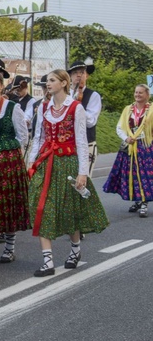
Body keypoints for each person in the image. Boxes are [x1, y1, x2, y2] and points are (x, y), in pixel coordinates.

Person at [27, 69, 109, 277]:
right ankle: (47, 261)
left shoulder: (75, 108)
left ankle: (75, 250)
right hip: (47, 163)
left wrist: (83, 173)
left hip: (68, 163)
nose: (48, 84)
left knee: (69, 209)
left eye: (52, 80)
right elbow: (38, 137)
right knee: (43, 207)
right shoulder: (43, 107)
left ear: (64, 83)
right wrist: (31, 164)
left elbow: (81, 141)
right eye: (47, 81)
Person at [0, 72, 30, 263]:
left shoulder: (12, 107)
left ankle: (9, 248)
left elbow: (23, 136)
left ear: (1, 86)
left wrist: (6, 150)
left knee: (8, 203)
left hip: (8, 163)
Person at [103, 84, 153, 217]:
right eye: (136, 92)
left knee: (144, 175)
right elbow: (119, 127)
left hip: (146, 146)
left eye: (141, 93)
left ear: (147, 95)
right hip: (130, 147)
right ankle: (138, 199)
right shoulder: (128, 110)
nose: (137, 95)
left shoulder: (151, 110)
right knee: (132, 175)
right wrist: (126, 138)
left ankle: (144, 202)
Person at [68, 60, 102, 177]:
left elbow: (90, 122)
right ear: (70, 77)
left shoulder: (93, 95)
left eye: (82, 72)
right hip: (66, 145)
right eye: (75, 72)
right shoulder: (64, 95)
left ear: (86, 76)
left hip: (86, 145)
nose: (78, 75)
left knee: (83, 183)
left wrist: (77, 105)